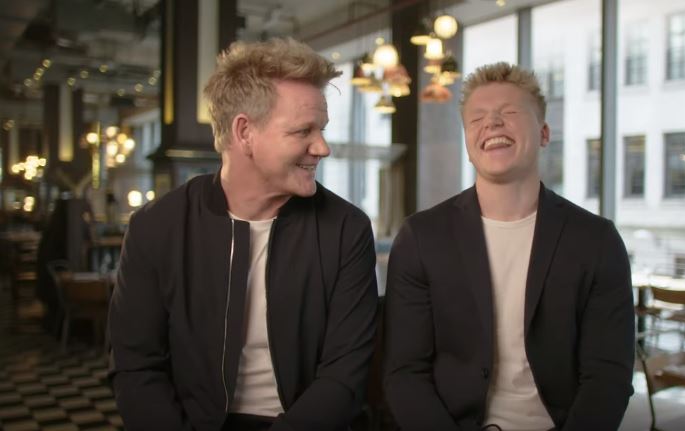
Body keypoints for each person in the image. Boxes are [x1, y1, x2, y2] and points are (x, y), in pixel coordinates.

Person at [108, 38, 379, 431]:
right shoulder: (156, 227)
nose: (322, 147)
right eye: (303, 131)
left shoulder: (346, 229)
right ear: (244, 132)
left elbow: (344, 375)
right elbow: (135, 367)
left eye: (321, 129)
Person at [383, 62, 634, 430]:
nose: (493, 123)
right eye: (477, 118)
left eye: (509, 113)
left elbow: (608, 377)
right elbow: (405, 372)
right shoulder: (421, 238)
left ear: (544, 133)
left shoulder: (597, 241)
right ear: (468, 144)